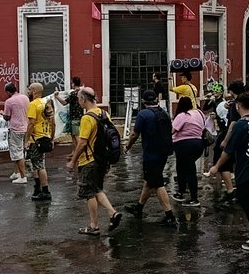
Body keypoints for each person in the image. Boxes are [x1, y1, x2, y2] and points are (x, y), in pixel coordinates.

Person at [208, 92, 249, 252]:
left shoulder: (241, 124)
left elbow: (228, 150)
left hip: (246, 167)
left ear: (238, 106)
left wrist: (216, 166)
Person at [66, 86, 122, 236]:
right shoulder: (104, 114)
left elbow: (82, 142)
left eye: (79, 99)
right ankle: (113, 213)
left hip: (89, 161)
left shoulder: (87, 118)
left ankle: (94, 226)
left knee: (89, 193)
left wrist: (73, 161)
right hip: (101, 159)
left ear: (83, 99)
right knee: (97, 189)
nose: (78, 101)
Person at [125, 88, 176, 224]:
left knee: (157, 183)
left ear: (143, 101)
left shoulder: (143, 114)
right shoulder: (164, 113)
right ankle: (139, 208)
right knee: (149, 181)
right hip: (163, 153)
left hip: (150, 154)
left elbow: (135, 134)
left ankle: (170, 216)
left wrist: (127, 146)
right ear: (156, 100)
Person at [171, 96, 206, 205]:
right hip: (198, 143)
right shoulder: (199, 113)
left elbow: (172, 130)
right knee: (182, 166)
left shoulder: (182, 115)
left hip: (184, 145)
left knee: (189, 169)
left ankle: (194, 198)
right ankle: (181, 192)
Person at [25, 82, 54, 201]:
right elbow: (53, 122)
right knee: (36, 164)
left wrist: (26, 140)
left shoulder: (33, 105)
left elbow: (31, 123)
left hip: (36, 139)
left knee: (39, 165)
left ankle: (45, 191)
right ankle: (38, 188)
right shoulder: (46, 103)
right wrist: (51, 138)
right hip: (45, 137)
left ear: (34, 91)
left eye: (29, 89)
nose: (28, 91)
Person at [3, 81, 30, 183]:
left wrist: (3, 114)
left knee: (17, 153)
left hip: (15, 129)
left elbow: (6, 117)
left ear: (8, 92)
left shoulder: (9, 102)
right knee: (19, 151)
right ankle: (17, 172)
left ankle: (23, 176)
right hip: (26, 127)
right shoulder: (25, 98)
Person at [65, 76, 84, 141]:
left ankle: (80, 150)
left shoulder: (73, 93)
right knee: (75, 135)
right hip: (81, 116)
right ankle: (76, 150)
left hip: (74, 118)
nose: (71, 85)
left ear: (74, 83)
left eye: (71, 83)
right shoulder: (82, 92)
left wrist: (57, 97)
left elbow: (64, 103)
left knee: (76, 136)